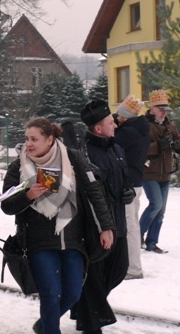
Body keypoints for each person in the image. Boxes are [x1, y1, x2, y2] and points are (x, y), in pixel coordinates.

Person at [1, 117, 114, 334]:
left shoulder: (71, 158)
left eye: (34, 139)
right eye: (27, 139)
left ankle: (44, 325)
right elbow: (6, 206)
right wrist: (28, 195)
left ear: (50, 139)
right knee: (50, 294)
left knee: (72, 293)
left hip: (73, 239)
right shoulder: (18, 167)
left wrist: (106, 227)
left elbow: (93, 192)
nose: (29, 144)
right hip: (38, 242)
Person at [71, 100, 135, 334]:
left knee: (119, 269)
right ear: (98, 128)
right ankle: (92, 321)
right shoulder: (84, 153)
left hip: (119, 223)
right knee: (95, 277)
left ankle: (84, 308)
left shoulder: (116, 149)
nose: (115, 125)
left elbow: (124, 177)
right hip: (97, 227)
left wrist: (127, 190)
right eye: (111, 122)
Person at [140, 89, 180, 254]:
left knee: (161, 210)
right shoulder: (144, 125)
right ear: (152, 109)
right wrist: (159, 145)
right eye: (160, 109)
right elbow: (140, 149)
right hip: (149, 172)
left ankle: (152, 243)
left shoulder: (170, 124)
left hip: (165, 172)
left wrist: (179, 145)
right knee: (156, 205)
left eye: (165, 109)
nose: (163, 112)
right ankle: (138, 234)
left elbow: (178, 140)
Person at [113, 95, 150, 280]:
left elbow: (112, 144)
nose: (115, 119)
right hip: (136, 182)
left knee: (129, 226)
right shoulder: (140, 128)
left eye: (119, 116)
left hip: (128, 184)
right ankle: (131, 265)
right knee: (131, 223)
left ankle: (133, 268)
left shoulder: (128, 133)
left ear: (125, 117)